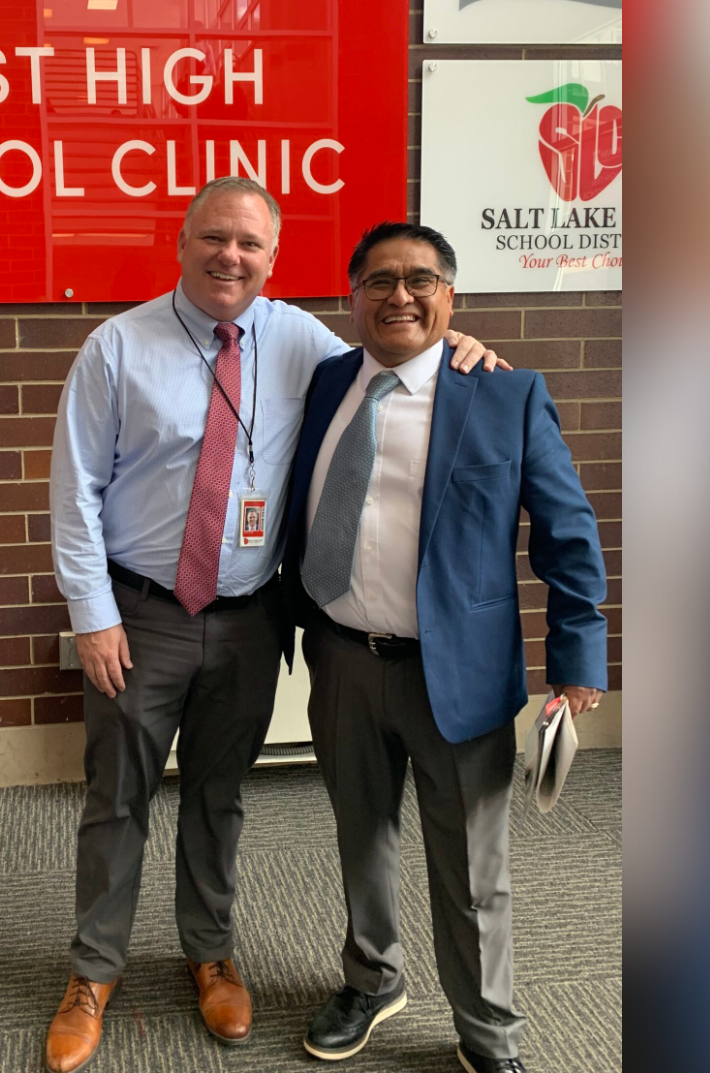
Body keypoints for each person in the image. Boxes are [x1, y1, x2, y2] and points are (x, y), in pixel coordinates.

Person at [44, 181, 507, 1072]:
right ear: (181, 243)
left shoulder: (299, 339)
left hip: (254, 620)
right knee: (117, 799)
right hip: (141, 616)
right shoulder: (117, 347)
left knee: (219, 797)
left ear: (272, 257)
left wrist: (458, 346)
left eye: (250, 245)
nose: (231, 257)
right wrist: (91, 616)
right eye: (215, 238)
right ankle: (92, 972)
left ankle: (209, 953)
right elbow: (75, 493)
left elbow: (393, 358)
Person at [282, 222, 607, 1073]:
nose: (400, 295)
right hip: (343, 661)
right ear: (351, 297)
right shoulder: (324, 384)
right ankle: (372, 978)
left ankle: (488, 1031)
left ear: (451, 297)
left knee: (472, 870)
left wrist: (577, 659)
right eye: (379, 280)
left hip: (453, 675)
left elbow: (568, 535)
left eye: (421, 280)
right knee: (362, 836)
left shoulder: (505, 394)